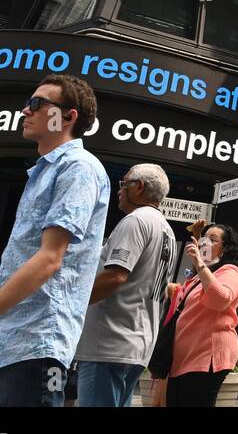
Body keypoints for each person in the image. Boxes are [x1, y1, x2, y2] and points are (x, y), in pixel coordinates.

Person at [0, 75, 110, 408]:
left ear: (69, 117)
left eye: (38, 104)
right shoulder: (43, 172)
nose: (24, 110)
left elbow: (49, 259)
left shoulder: (78, 168)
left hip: (37, 347)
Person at [74, 163, 178, 407]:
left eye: (124, 184)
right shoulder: (167, 230)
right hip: (136, 344)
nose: (119, 190)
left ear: (138, 187)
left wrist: (72, 304)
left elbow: (115, 276)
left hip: (109, 343)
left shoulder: (135, 221)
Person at [153, 224, 238, 408]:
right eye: (204, 237)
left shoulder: (230, 271)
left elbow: (221, 299)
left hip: (206, 358)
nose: (205, 242)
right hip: (184, 359)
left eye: (213, 239)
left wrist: (199, 263)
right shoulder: (199, 276)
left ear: (225, 248)